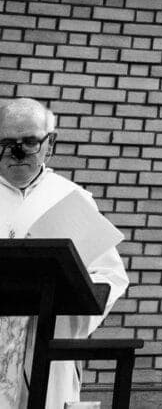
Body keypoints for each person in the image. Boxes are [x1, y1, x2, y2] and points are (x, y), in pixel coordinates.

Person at [0, 98, 130, 409]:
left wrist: (72, 297)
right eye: (7, 142)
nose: (17, 152)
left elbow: (109, 275)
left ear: (50, 143)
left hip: (46, 346)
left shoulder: (71, 198)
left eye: (29, 142)